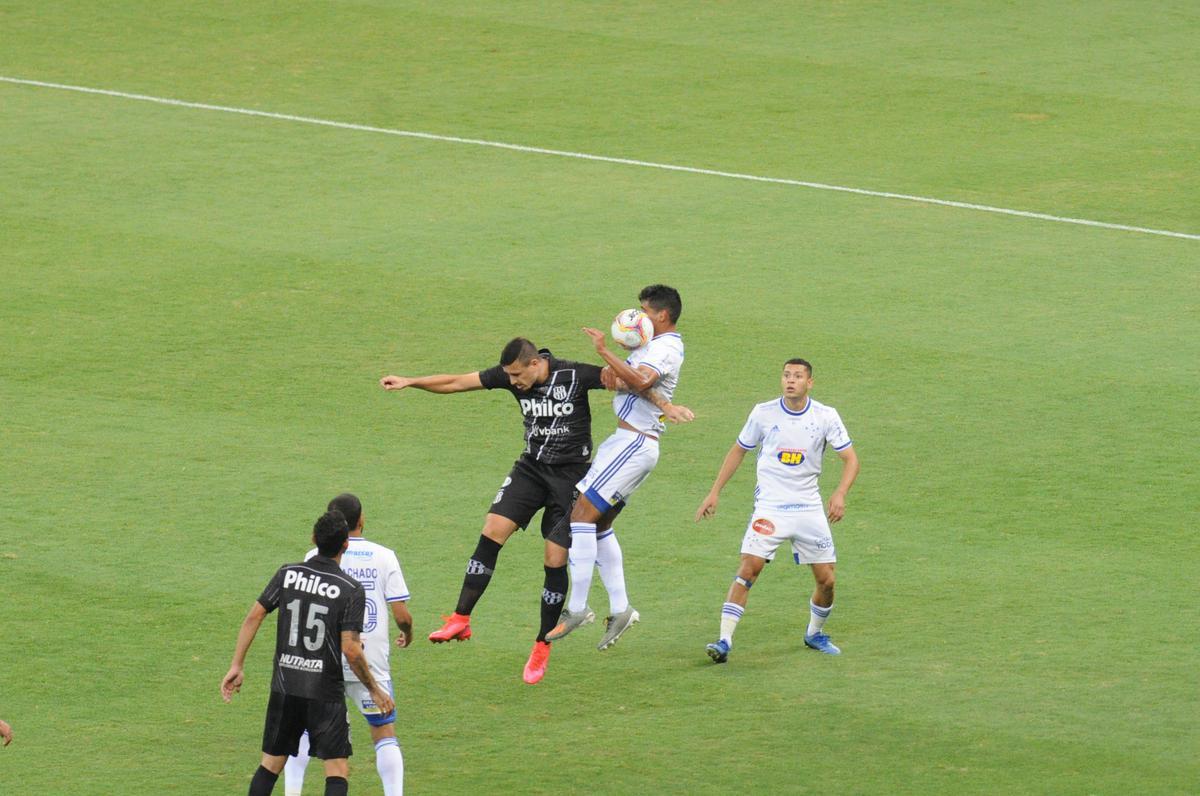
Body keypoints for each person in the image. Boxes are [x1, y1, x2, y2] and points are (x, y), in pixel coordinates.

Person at [380, 337, 688, 684]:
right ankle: (460, 619)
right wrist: (411, 381)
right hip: (531, 470)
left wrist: (665, 405)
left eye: (516, 375)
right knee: (492, 529)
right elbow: (457, 381)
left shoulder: (574, 374)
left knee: (554, 559)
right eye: (508, 376)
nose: (512, 383)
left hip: (571, 478)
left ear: (535, 364)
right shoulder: (511, 375)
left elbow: (629, 381)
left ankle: (542, 646)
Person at [548, 285, 688, 650]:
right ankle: (621, 608)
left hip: (634, 443)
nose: (638, 315)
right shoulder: (649, 346)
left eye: (644, 310)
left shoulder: (666, 347)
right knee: (599, 526)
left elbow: (641, 380)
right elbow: (633, 383)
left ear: (661, 316)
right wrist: (620, 368)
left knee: (580, 518)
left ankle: (577, 608)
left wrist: (605, 353)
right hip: (626, 442)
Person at [695, 358, 860, 662]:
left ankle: (814, 634)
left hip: (809, 508)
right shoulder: (763, 413)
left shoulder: (825, 416)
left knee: (827, 581)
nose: (790, 381)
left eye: (797, 376)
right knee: (749, 568)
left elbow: (851, 459)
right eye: (786, 375)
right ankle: (723, 641)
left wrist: (840, 493)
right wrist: (714, 492)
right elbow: (739, 450)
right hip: (770, 507)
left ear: (809, 383)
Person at [221, 510, 395, 796]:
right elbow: (351, 650)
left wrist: (237, 665)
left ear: (313, 539)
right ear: (345, 546)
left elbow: (254, 616)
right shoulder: (350, 589)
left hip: (286, 686)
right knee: (337, 769)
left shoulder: (287, 574)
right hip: (324, 692)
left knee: (270, 765)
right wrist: (374, 689)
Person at [284, 494, 412, 796]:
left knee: (301, 731)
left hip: (322, 659)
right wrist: (408, 631)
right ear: (361, 519)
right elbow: (401, 614)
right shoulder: (384, 556)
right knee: (383, 733)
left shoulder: (312, 556)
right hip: (370, 658)